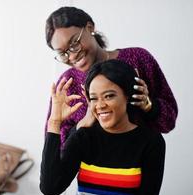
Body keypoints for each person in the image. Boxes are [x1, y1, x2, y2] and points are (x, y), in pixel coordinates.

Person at [44, 6, 178, 147]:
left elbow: (169, 122)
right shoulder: (67, 85)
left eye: (74, 43)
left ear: (90, 28)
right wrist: (82, 124)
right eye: (62, 53)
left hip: (141, 163)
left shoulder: (138, 59)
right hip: (91, 168)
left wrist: (149, 105)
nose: (72, 55)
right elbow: (55, 151)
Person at [40, 59, 166, 195]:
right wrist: (54, 122)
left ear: (128, 95)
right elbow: (50, 188)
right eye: (94, 98)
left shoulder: (151, 142)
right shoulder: (83, 137)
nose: (100, 105)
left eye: (109, 96)